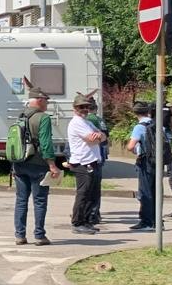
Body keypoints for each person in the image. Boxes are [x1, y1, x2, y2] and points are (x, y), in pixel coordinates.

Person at [12, 89, 61, 246]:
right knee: (39, 200)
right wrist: (52, 165)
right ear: (39, 100)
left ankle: (20, 235)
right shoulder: (43, 118)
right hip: (38, 164)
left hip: (19, 163)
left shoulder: (21, 116)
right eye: (46, 101)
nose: (47, 103)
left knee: (21, 200)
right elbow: (46, 143)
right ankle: (39, 235)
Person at [66, 93, 106, 235]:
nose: (84, 109)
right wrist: (98, 137)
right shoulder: (76, 122)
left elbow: (103, 136)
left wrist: (99, 136)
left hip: (92, 161)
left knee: (91, 194)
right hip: (82, 162)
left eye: (87, 107)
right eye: (81, 107)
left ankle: (86, 221)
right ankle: (77, 222)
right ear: (75, 108)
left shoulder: (87, 122)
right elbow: (92, 139)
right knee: (83, 194)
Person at [127, 100, 156, 233]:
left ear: (135, 113)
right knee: (155, 191)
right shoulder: (156, 123)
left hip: (145, 161)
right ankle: (156, 221)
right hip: (157, 161)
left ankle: (146, 222)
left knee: (145, 192)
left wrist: (133, 150)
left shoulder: (139, 127)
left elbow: (130, 146)